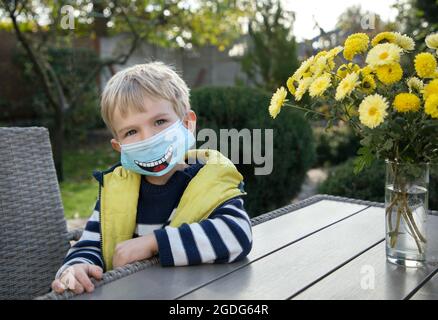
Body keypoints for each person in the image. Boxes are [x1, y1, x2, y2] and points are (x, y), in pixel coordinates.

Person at [51, 61, 253, 294]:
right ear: (119, 147)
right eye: (131, 132)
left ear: (188, 124)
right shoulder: (115, 192)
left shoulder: (211, 182)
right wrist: (76, 267)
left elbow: (238, 234)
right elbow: (89, 245)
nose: (148, 138)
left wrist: (153, 243)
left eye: (160, 122)